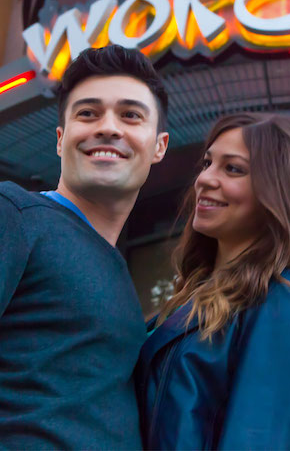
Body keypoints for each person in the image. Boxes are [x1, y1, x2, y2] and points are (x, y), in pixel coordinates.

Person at [136, 112, 290, 450]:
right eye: (207, 163)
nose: (204, 179)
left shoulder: (289, 300)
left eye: (233, 169)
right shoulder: (189, 299)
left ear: (278, 190)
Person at [0, 45, 169, 448]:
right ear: (60, 140)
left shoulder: (117, 273)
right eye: (88, 113)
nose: (108, 128)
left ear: (159, 145)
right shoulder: (14, 214)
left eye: (130, 115)